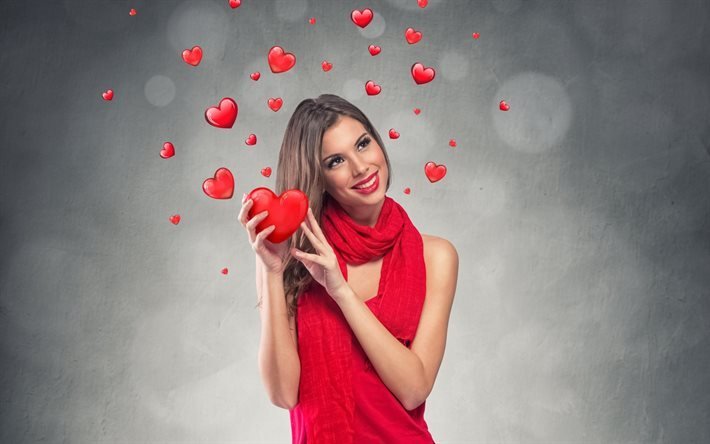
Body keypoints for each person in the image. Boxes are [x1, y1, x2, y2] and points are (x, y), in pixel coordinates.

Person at [237, 93, 458, 443]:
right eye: (336, 160)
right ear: (318, 177)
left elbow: (414, 389)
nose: (361, 167)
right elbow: (283, 394)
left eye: (363, 144)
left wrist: (340, 291)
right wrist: (272, 271)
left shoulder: (436, 256)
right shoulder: (291, 257)